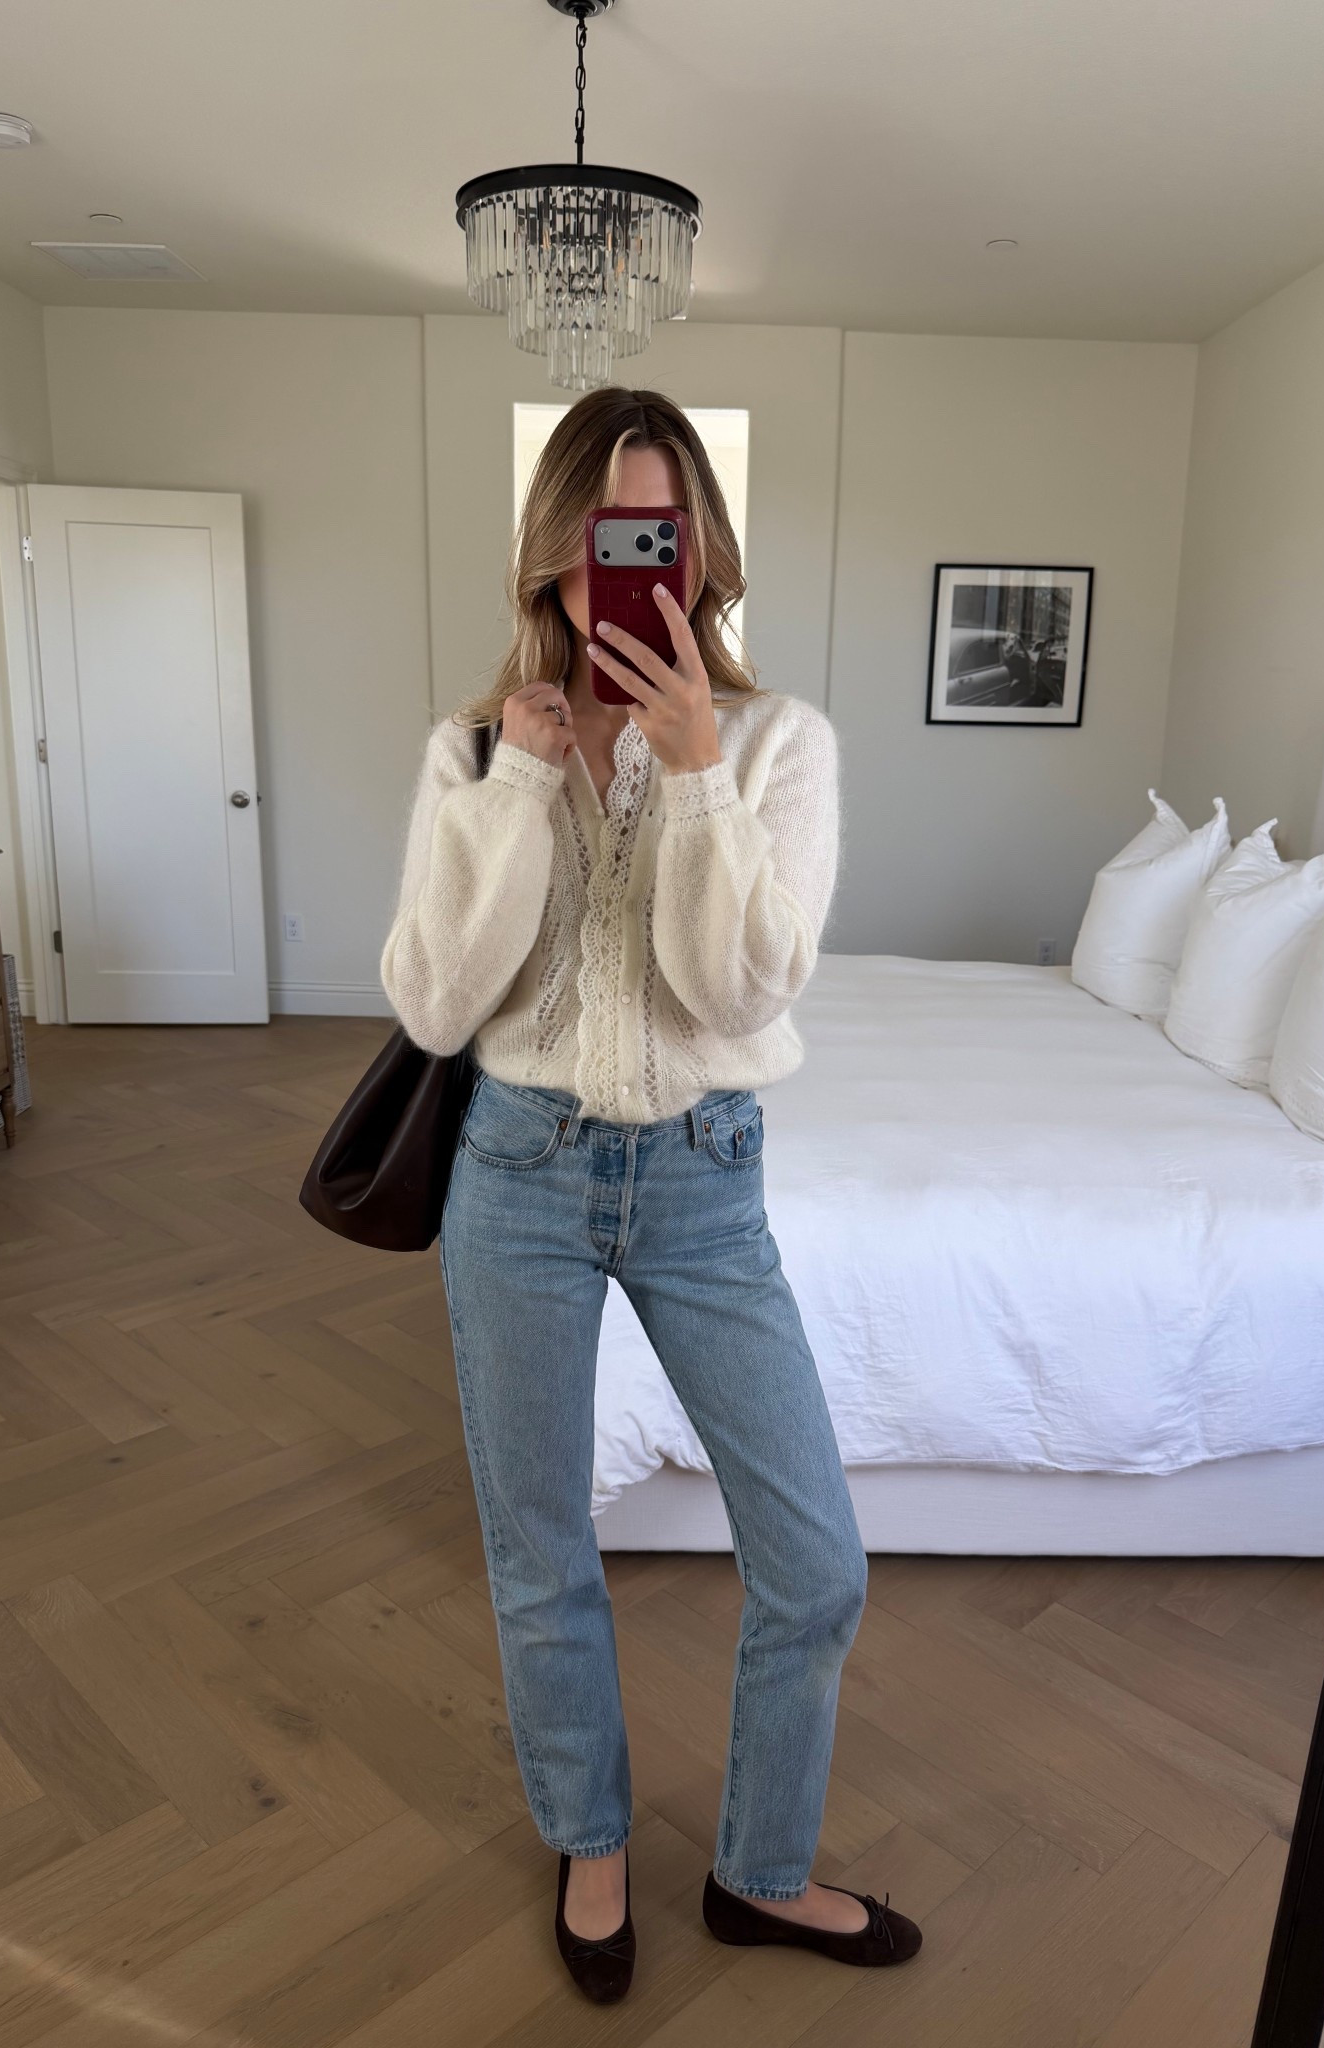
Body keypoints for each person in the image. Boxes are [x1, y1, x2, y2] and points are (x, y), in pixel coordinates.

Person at [381, 386, 921, 2004]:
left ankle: (761, 1871)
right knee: (541, 1547)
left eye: (657, 534)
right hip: (517, 1173)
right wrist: (517, 790)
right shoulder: (472, 746)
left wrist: (693, 775)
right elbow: (435, 1002)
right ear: (551, 549)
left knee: (817, 1562)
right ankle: (592, 1840)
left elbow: (737, 990)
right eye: (599, 533)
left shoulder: (780, 744)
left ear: (701, 553)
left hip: (703, 1185)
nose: (624, 566)